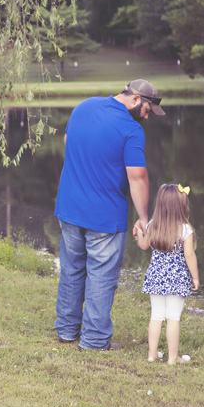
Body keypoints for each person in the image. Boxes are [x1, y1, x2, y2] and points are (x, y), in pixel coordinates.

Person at [53, 79, 165, 350]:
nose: (148, 116)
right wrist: (143, 218)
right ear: (136, 100)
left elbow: (68, 141)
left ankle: (67, 331)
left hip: (69, 208)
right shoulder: (131, 130)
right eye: (148, 109)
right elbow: (137, 177)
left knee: (71, 269)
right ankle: (93, 340)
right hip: (104, 217)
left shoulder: (85, 106)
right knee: (101, 276)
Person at [136, 183, 200, 364]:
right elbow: (189, 254)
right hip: (178, 279)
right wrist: (195, 277)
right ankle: (173, 358)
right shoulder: (185, 229)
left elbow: (143, 245)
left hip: (156, 276)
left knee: (156, 315)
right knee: (174, 317)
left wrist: (140, 232)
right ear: (181, 207)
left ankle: (152, 354)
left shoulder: (153, 225)